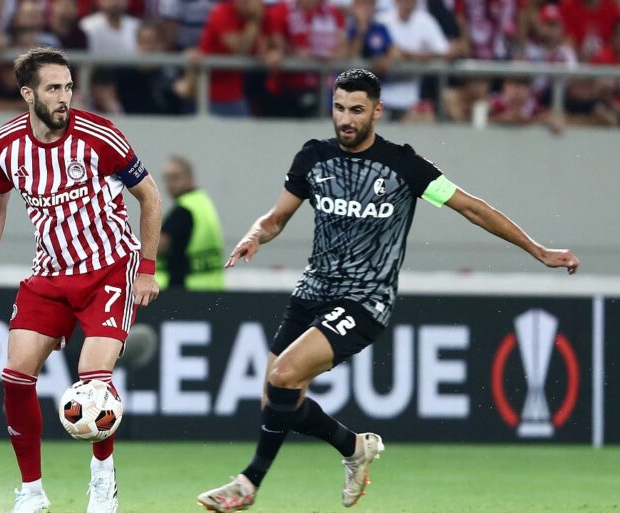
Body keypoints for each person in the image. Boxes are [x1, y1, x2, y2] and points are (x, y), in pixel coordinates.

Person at [196, 68, 579, 513]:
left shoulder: (405, 166)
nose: (346, 119)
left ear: (377, 111)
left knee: (283, 377)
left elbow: (472, 208)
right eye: (339, 108)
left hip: (365, 299)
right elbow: (276, 217)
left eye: (357, 110)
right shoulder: (313, 157)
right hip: (311, 291)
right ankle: (354, 447)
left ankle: (248, 484)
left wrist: (538, 250)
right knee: (277, 401)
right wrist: (255, 234)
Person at [0, 47, 162, 513]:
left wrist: (147, 269)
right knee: (15, 376)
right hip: (50, 274)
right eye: (54, 88)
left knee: (93, 381)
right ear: (28, 94)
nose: (65, 97)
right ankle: (32, 492)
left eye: (69, 87)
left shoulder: (99, 135)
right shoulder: (4, 146)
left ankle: (103, 478)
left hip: (108, 269)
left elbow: (150, 197)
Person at [156, 155, 225, 290]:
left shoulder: (184, 210)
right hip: (212, 286)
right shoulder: (203, 203)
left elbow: (157, 247)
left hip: (187, 289)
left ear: (190, 177)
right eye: (166, 178)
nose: (170, 184)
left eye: (175, 177)